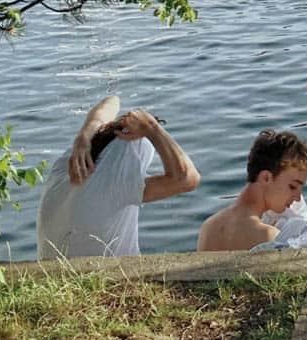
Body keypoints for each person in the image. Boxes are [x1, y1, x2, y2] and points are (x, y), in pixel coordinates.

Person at [36, 96, 199, 260]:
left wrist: (84, 136)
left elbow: (112, 100)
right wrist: (153, 129)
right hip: (104, 280)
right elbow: (187, 179)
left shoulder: (66, 163)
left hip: (52, 276)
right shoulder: (116, 183)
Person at [197, 129, 307, 252]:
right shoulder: (268, 237)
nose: (297, 197)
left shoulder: (208, 227)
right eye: (293, 186)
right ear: (265, 178)